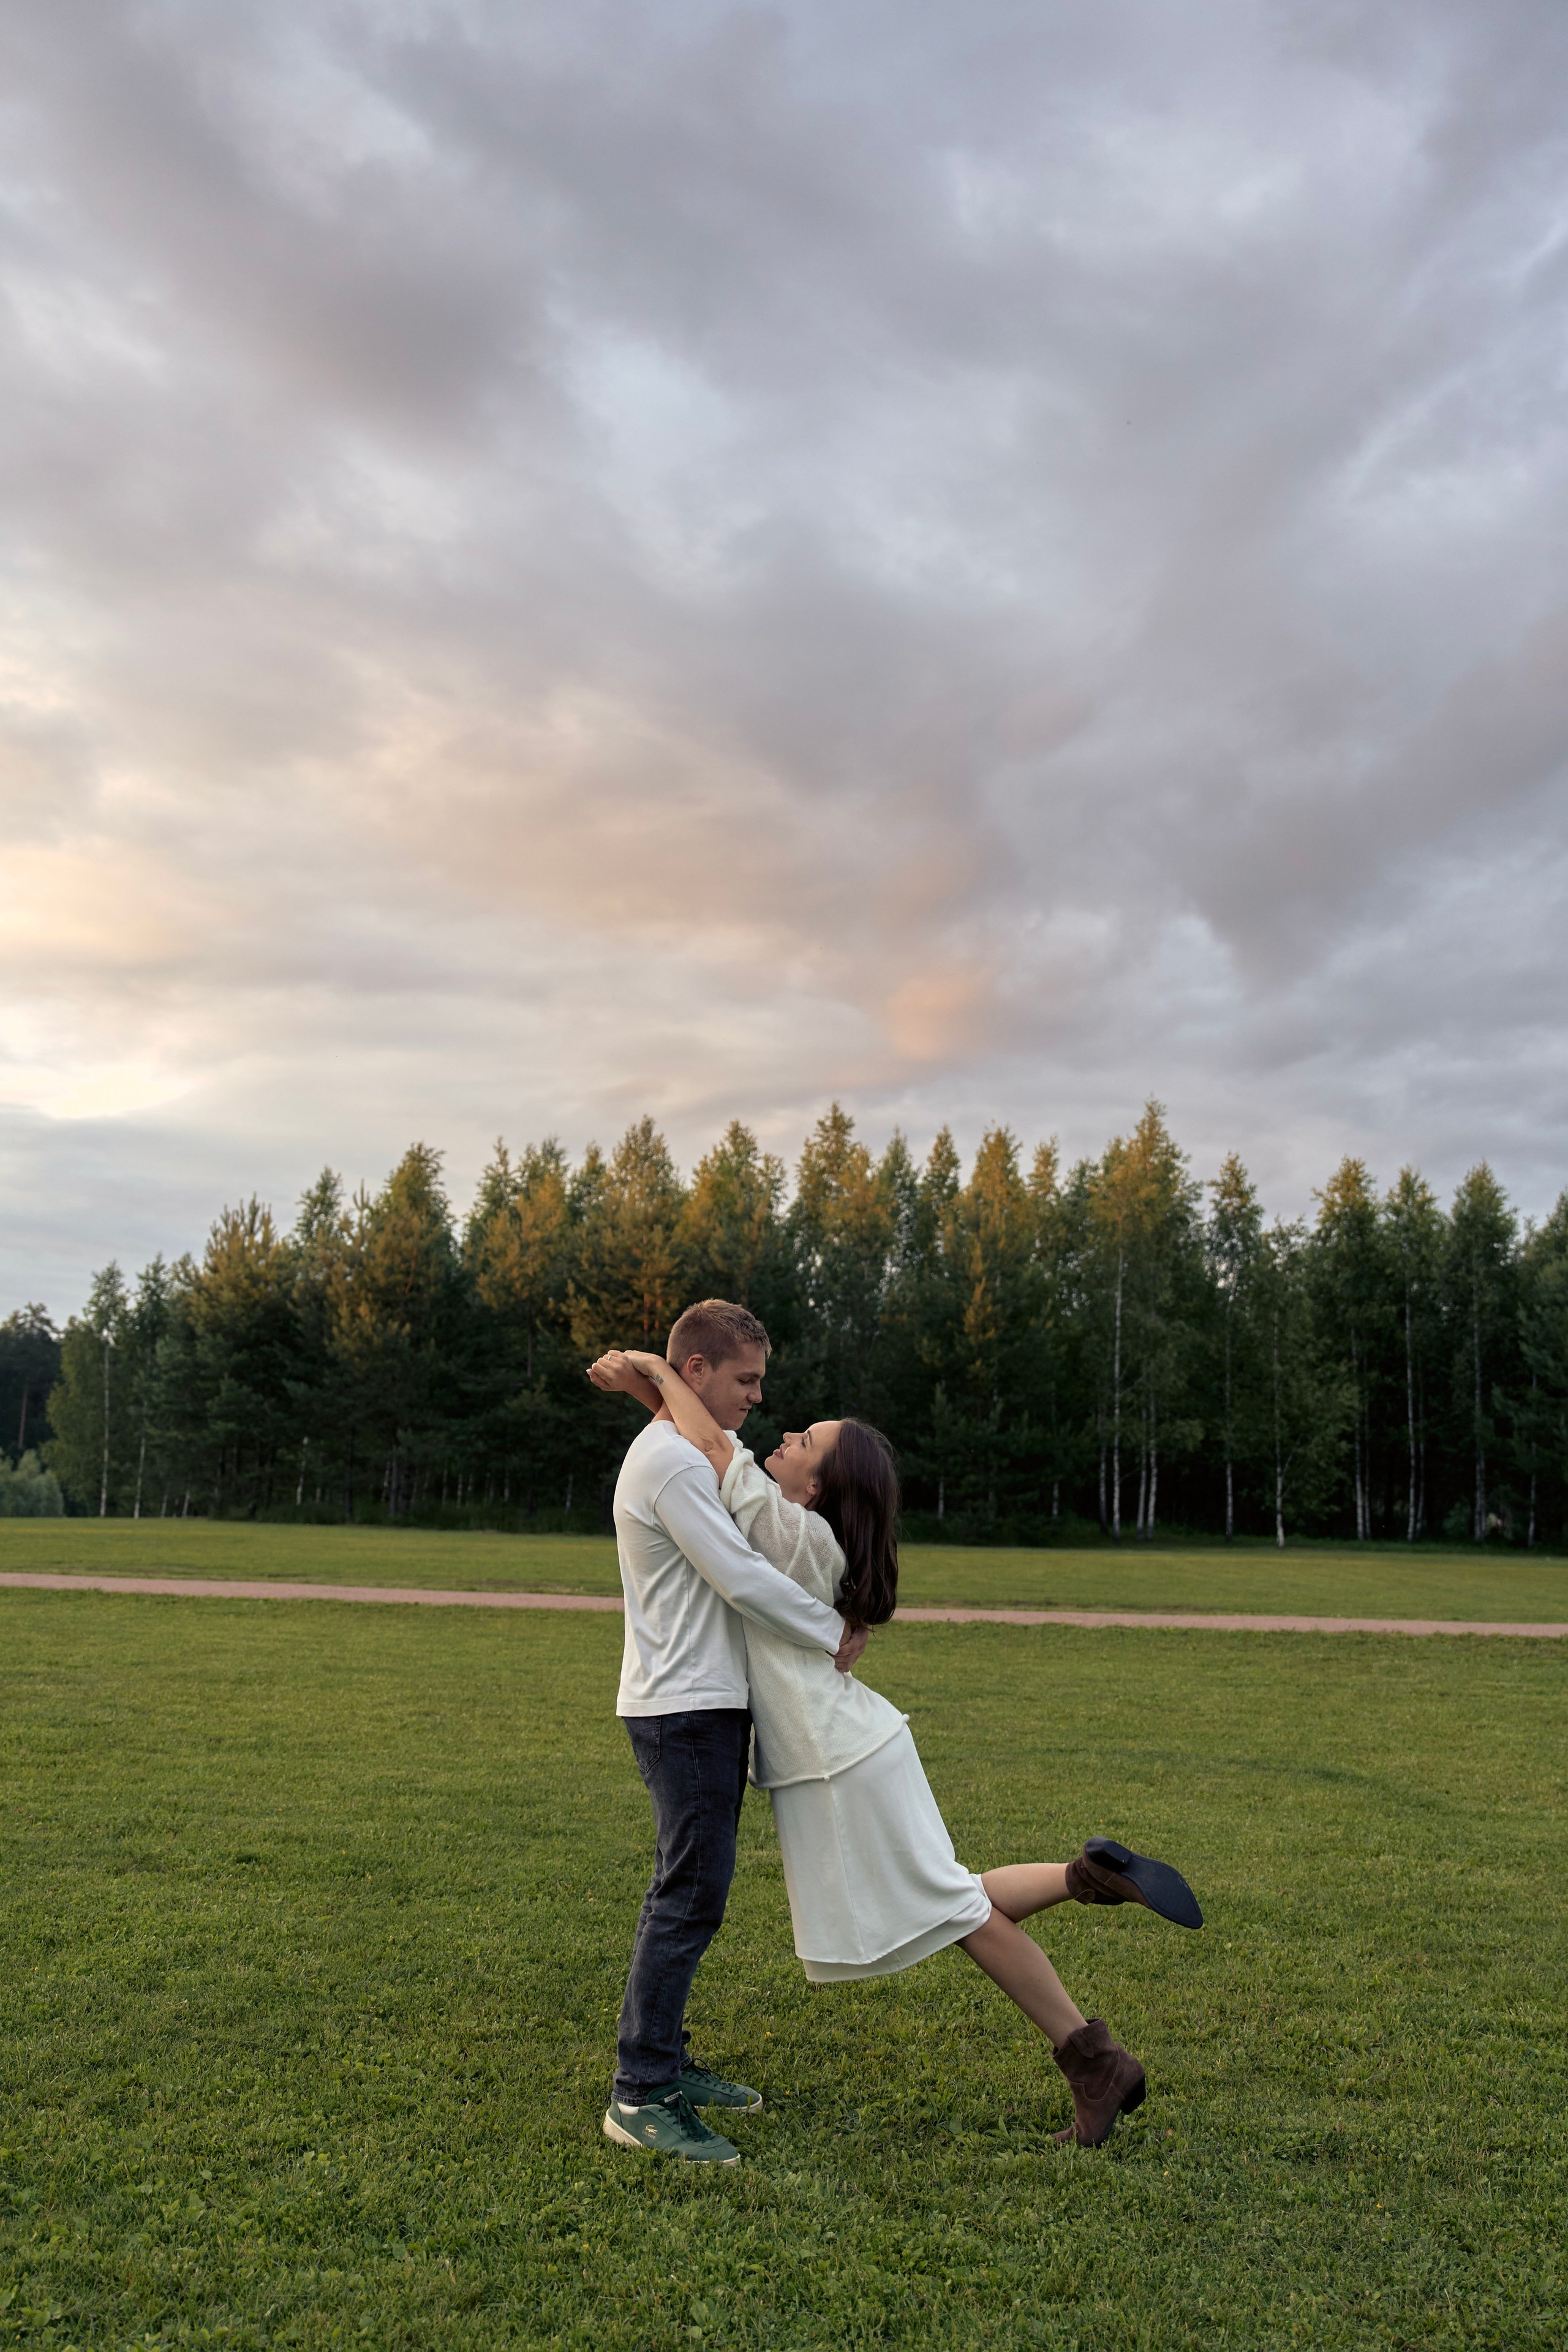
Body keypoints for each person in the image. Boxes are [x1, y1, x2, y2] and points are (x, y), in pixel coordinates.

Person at [590, 1323, 1203, 2157]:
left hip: (841, 1757)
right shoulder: (807, 1526)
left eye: (802, 1440)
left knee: (956, 1911)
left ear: (817, 1486)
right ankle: (1085, 1875)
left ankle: (1093, 2061)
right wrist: (655, 1386)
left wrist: (657, 1372)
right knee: (955, 1894)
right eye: (753, 1386)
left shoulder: (787, 1529)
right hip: (858, 1743)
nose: (774, 1421)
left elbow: (719, 1459)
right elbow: (711, 1438)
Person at [597, 1299, 870, 2169]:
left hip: (700, 1704)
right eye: (746, 1380)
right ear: (700, 1372)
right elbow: (745, 1580)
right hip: (684, 1709)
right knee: (689, 1895)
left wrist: (649, 1379)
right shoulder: (674, 1465)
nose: (757, 1398)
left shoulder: (687, 1454)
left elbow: (747, 1519)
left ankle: (666, 2061)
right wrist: (835, 1632)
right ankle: (641, 2092)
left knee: (693, 1890)